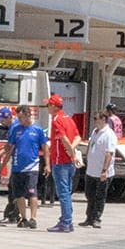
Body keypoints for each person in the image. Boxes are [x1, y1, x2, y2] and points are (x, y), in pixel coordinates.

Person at [0, 104, 49, 229]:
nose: (19, 120)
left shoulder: (37, 130)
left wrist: (47, 165)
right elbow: (10, 146)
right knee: (19, 194)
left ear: (28, 115)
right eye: (18, 117)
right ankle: (24, 218)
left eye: (21, 117)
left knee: (32, 192)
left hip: (32, 167)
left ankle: (33, 218)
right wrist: (2, 156)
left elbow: (45, 148)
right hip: (17, 167)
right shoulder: (16, 129)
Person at [44, 94, 83, 233]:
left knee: (63, 193)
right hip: (69, 162)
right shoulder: (69, 119)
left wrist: (70, 152)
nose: (47, 107)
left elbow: (64, 139)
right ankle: (67, 220)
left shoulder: (57, 120)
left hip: (60, 161)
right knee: (67, 192)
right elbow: (78, 137)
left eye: (49, 105)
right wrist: (72, 150)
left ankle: (66, 222)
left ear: (54, 106)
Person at [81, 111, 117, 228]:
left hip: (101, 172)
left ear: (103, 120)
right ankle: (89, 217)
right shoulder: (95, 132)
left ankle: (97, 218)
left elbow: (109, 153)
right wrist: (86, 158)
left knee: (100, 196)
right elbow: (90, 145)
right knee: (89, 194)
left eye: (96, 119)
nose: (95, 121)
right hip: (91, 170)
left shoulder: (109, 134)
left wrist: (104, 170)